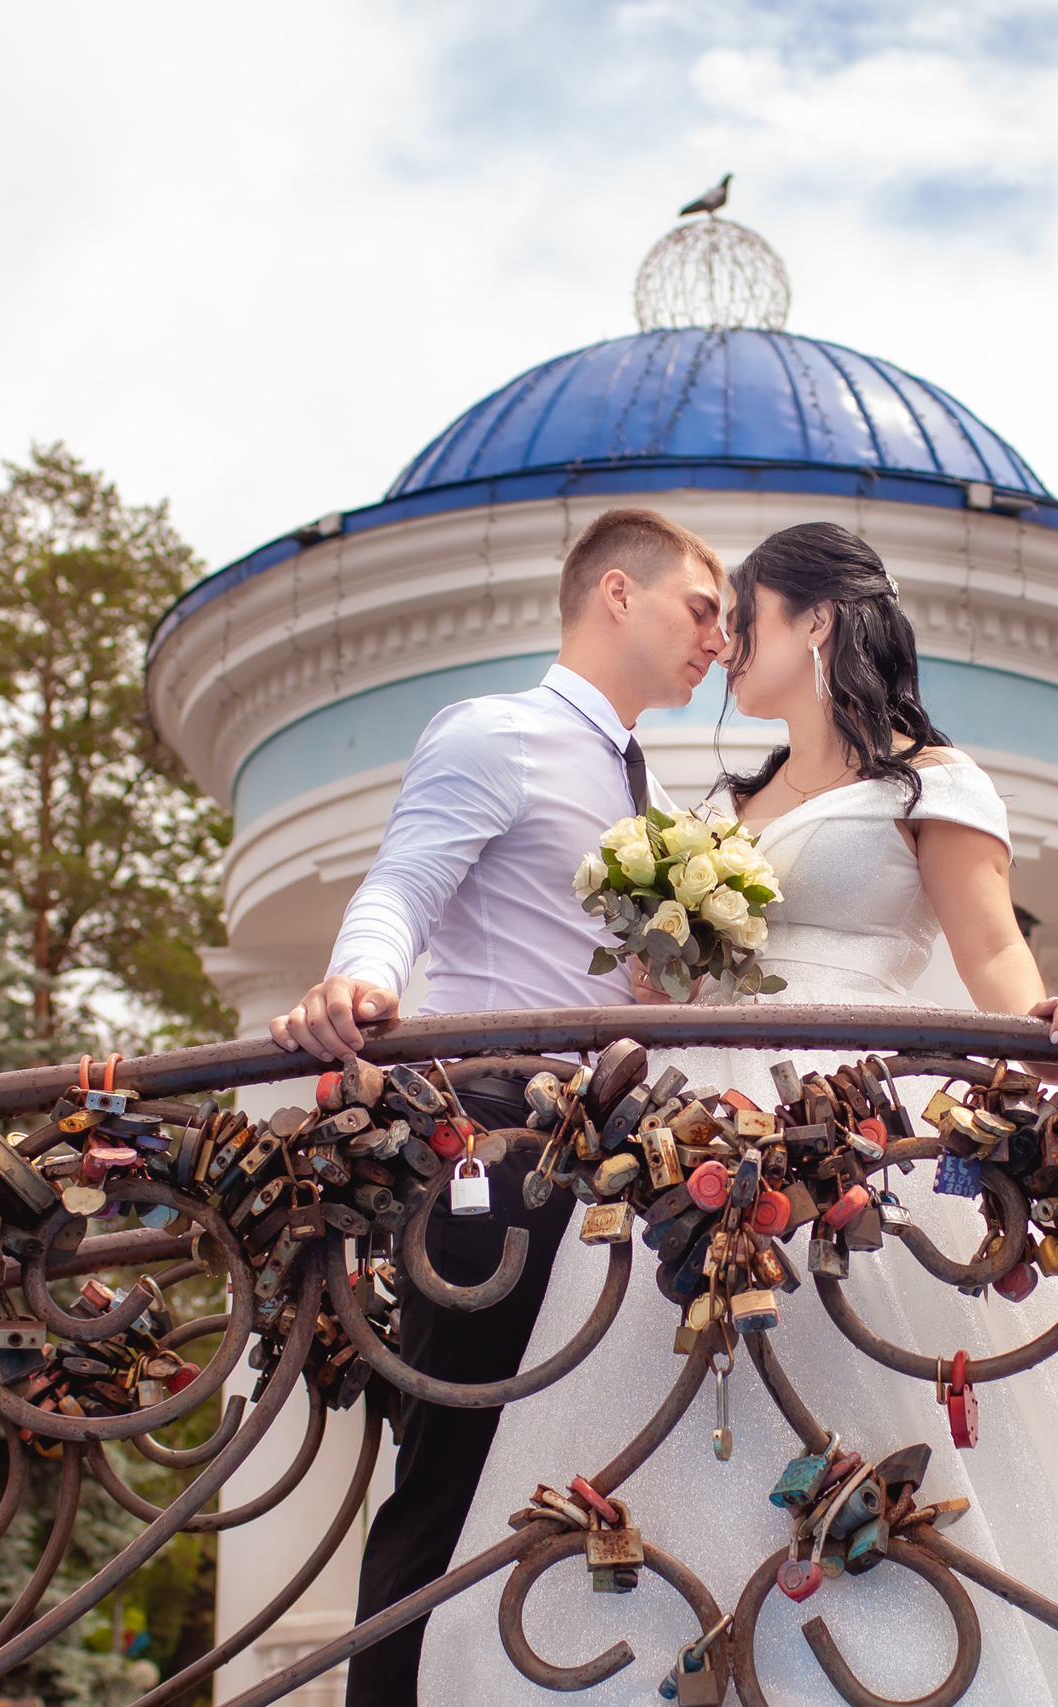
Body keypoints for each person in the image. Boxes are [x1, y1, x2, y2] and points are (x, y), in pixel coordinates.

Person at [421, 523, 1058, 1705]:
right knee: (683, 1376)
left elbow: (991, 946)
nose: (727, 645)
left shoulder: (931, 782)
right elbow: (681, 984)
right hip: (701, 1137)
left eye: (748, 617)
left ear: (819, 621)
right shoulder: (725, 800)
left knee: (870, 1371)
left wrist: (1045, 1019)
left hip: (858, 1128)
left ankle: (890, 1648)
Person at [268, 506, 728, 1707]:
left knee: (593, 1463)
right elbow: (405, 881)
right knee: (448, 1473)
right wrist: (362, 976)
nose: (719, 639)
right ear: (616, 593)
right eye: (702, 605)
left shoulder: (658, 793)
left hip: (620, 1166)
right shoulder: (499, 733)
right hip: (497, 1142)